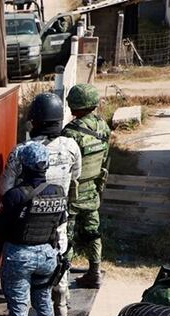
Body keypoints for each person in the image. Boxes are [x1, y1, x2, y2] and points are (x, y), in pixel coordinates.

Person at [0, 92, 81, 316]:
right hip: (57, 219)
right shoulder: (72, 146)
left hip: (26, 223)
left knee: (20, 278)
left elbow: (4, 188)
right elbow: (77, 176)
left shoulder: (22, 150)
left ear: (36, 121)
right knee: (59, 266)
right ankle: (61, 307)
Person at [0, 142, 68, 316]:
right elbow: (60, 221)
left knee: (18, 306)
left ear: (23, 166)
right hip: (47, 255)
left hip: (19, 257)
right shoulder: (58, 192)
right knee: (43, 298)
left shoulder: (15, 195)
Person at [61, 83, 111, 288]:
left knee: (67, 235)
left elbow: (65, 166)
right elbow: (105, 158)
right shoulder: (103, 127)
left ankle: (62, 277)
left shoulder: (70, 133)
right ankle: (95, 271)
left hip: (72, 194)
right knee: (93, 232)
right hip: (92, 191)